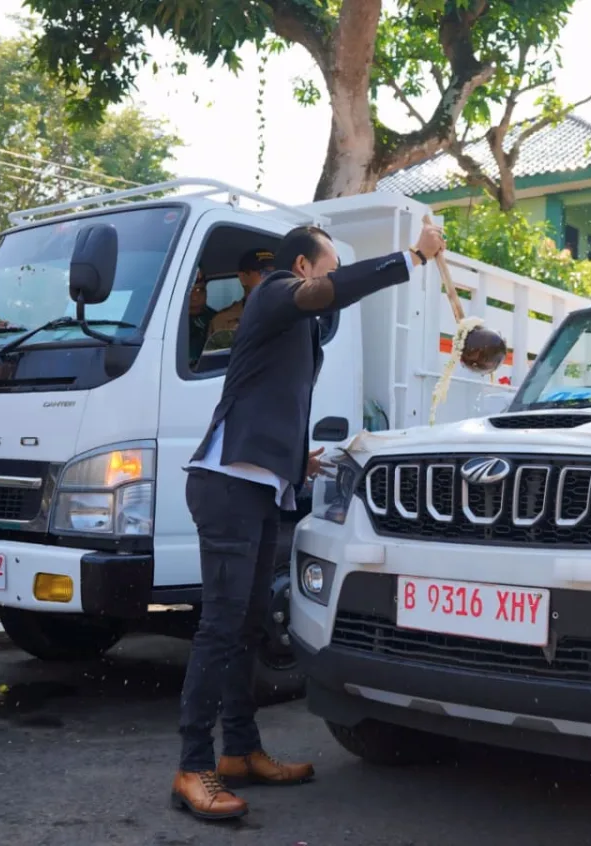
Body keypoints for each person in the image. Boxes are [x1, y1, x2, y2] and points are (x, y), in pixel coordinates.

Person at [171, 220, 447, 822]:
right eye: (328, 267)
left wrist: (297, 460)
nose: (331, 282)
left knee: (246, 629)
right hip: (226, 488)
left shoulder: (292, 325)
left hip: (257, 486)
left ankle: (239, 751)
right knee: (220, 629)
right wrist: (411, 258)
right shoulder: (275, 291)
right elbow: (326, 292)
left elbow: (275, 395)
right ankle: (193, 766)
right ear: (302, 267)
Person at [206, 248, 276, 343]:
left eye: (275, 273)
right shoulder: (223, 321)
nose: (271, 278)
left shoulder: (290, 312)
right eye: (264, 273)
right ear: (243, 277)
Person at [187, 267, 217, 366]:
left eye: (200, 290)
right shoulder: (169, 322)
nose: (195, 297)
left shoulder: (216, 319)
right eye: (190, 291)